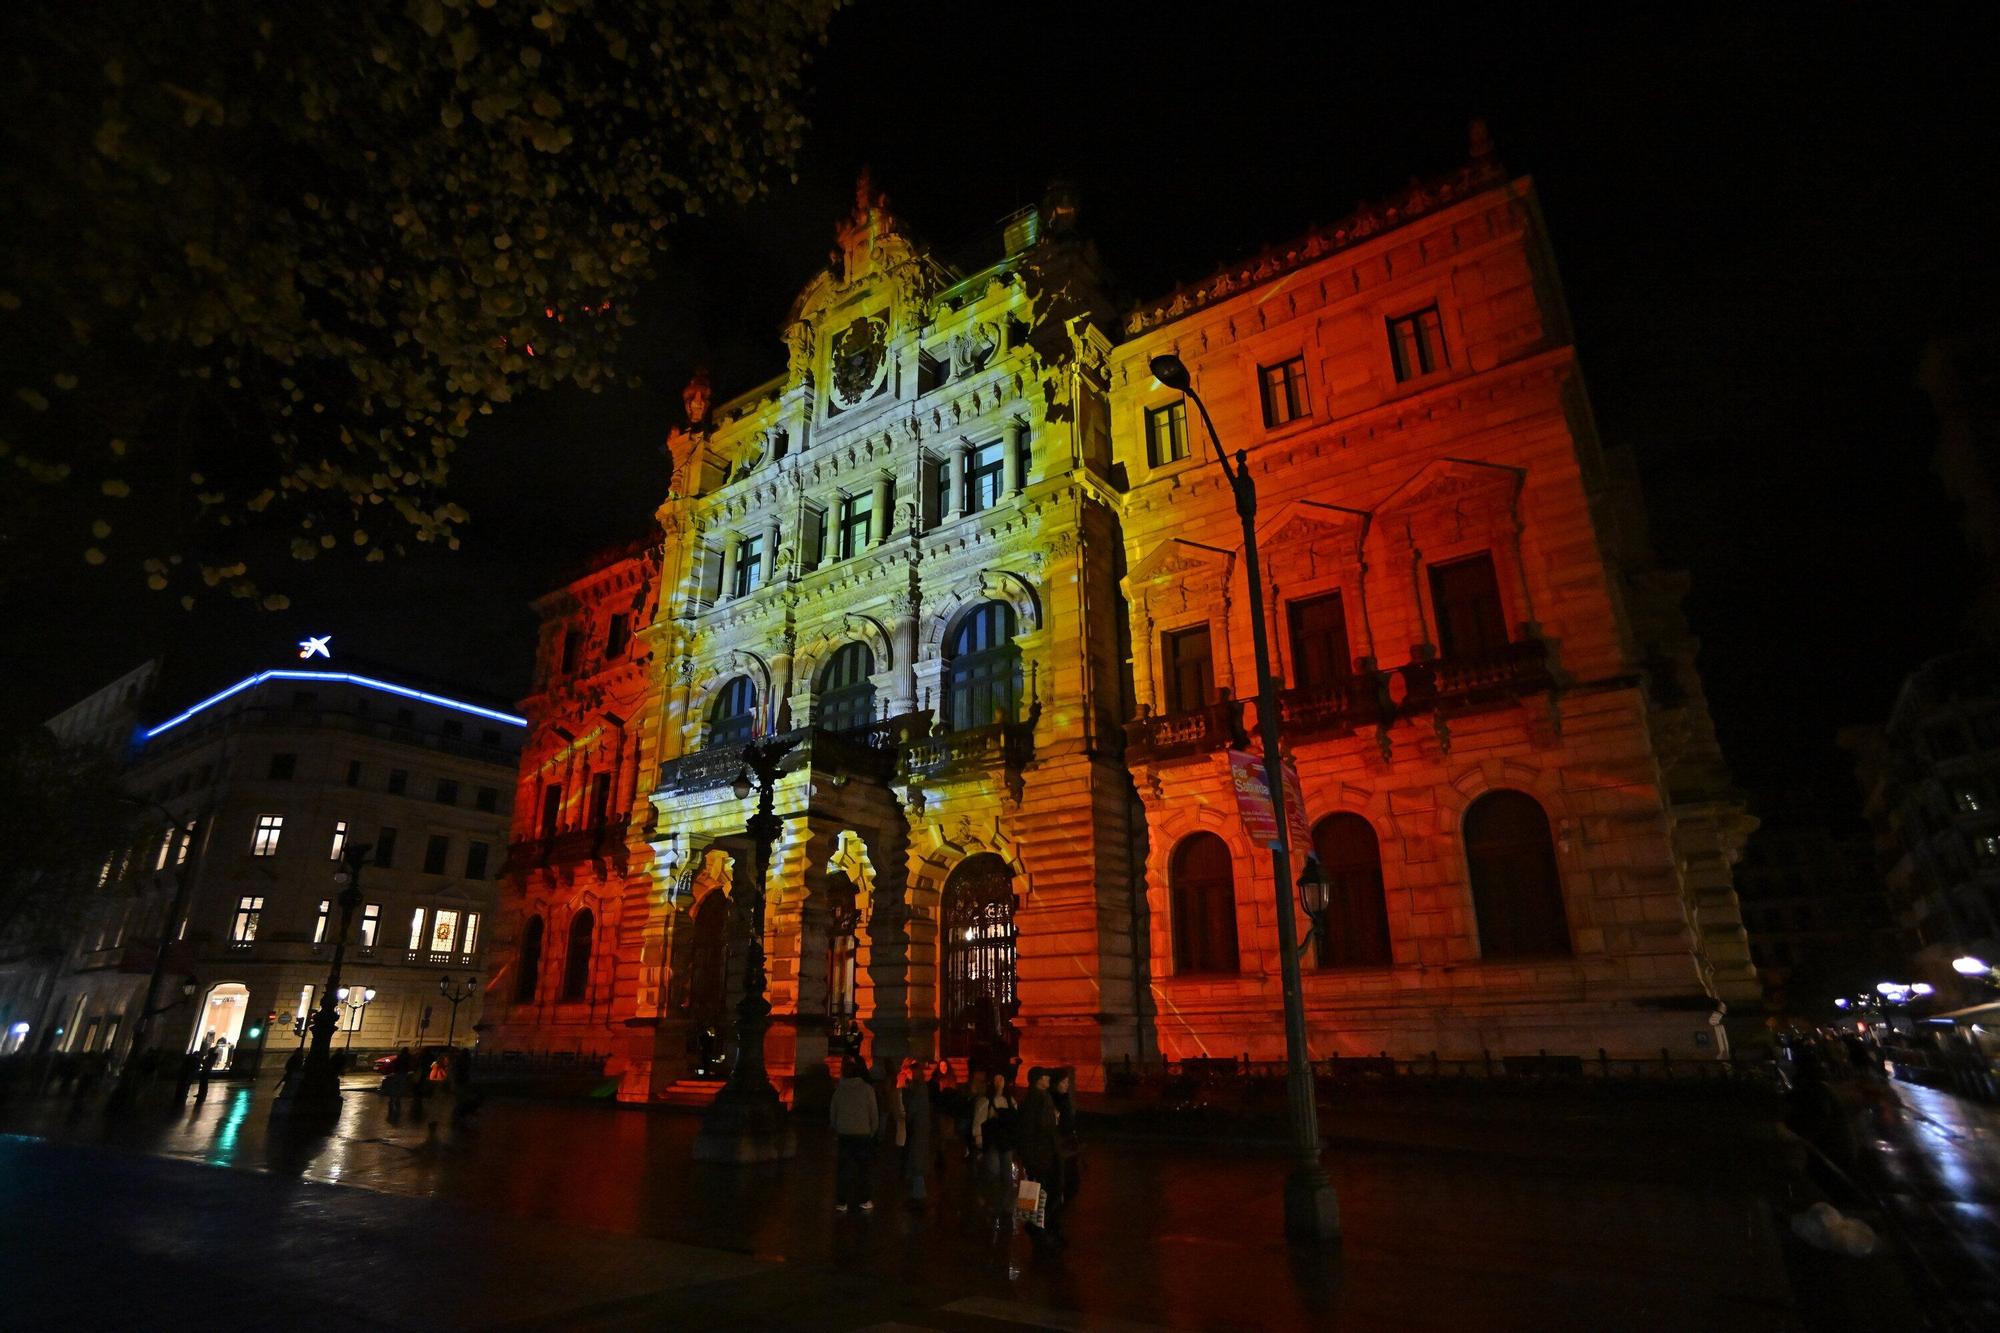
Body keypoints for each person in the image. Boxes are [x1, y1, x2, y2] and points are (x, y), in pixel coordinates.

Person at [1016, 1066, 1064, 1245]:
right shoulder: (1037, 1099)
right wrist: (1054, 1119)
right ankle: (1038, 1228)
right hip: (1041, 1155)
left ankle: (1036, 1225)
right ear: (1038, 1080)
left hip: (1042, 1154)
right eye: (1045, 1076)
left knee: (1040, 1191)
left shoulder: (1038, 1097)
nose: (1048, 1079)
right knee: (1043, 1191)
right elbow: (1037, 1128)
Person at [829, 1058, 880, 1214]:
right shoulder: (867, 1089)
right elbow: (873, 1113)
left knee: (843, 1168)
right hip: (862, 1133)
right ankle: (864, 1199)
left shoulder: (840, 1089)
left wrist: (837, 1127)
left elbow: (833, 1111)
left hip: (844, 1133)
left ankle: (842, 1201)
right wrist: (872, 1130)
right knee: (863, 1169)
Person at [970, 1072, 1016, 1178]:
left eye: (1001, 1079)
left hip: (1006, 1139)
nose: (999, 1083)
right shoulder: (985, 1101)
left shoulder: (1010, 1100)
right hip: (992, 1139)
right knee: (993, 1169)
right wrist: (978, 1137)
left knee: (1006, 1170)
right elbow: (979, 1119)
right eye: (996, 1080)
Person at [902, 1059, 934, 1205]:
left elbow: (912, 1107)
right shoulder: (918, 1087)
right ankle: (917, 1194)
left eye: (910, 1072)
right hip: (920, 1127)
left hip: (918, 1128)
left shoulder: (918, 1088)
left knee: (917, 1161)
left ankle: (918, 1195)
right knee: (917, 1160)